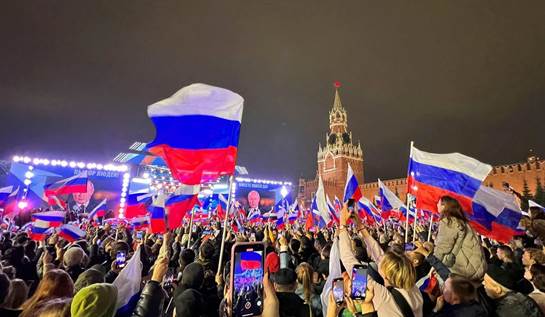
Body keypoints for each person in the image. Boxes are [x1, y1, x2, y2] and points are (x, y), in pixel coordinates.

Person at [338, 204, 423, 317]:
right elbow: (378, 254)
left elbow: (349, 261)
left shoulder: (383, 296)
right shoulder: (413, 288)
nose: (380, 259)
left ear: (386, 274)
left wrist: (342, 225)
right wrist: (360, 226)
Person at [433, 196, 486, 281]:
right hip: (475, 266)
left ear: (444, 206)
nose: (437, 205)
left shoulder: (448, 222)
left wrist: (433, 263)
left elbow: (443, 247)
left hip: (463, 270)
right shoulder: (462, 221)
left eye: (438, 203)